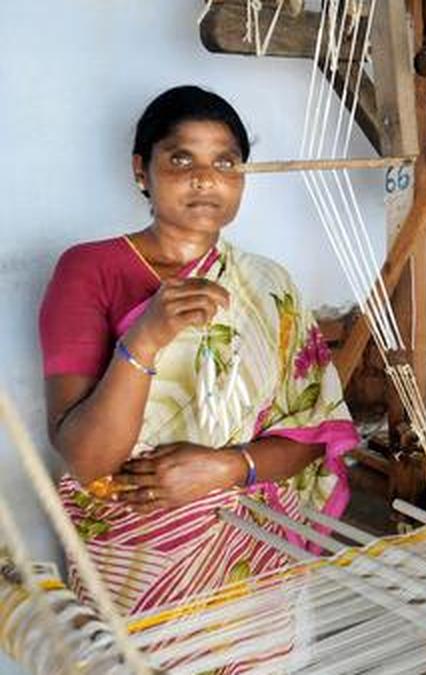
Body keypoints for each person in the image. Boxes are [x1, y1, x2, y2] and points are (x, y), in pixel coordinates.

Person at [39, 85, 358, 616]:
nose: (206, 178)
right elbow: (88, 458)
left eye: (225, 162)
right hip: (135, 563)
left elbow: (313, 431)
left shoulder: (267, 283)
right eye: (182, 158)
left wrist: (229, 468)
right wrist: (145, 338)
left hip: (251, 560)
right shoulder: (88, 270)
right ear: (141, 170)